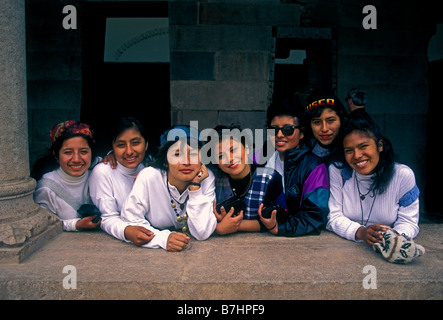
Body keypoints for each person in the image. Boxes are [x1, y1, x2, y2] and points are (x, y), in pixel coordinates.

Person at [327, 112, 420, 245]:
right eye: (349, 150)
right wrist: (361, 232)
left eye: (363, 146)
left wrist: (390, 240)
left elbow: (409, 222)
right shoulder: (338, 172)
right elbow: (334, 217)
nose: (357, 155)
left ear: (379, 145)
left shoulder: (402, 175)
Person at [120, 130, 217, 251]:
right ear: (166, 162)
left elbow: (202, 232)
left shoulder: (206, 178)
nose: (186, 162)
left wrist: (195, 188)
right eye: (177, 154)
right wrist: (162, 239)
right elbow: (130, 220)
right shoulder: (149, 176)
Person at [255, 95, 330, 237]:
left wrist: (279, 227)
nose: (280, 135)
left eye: (288, 129)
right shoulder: (260, 158)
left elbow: (314, 216)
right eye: (274, 130)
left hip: (297, 243)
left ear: (301, 133)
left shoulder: (315, 167)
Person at [89, 117, 155, 245]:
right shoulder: (103, 172)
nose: (129, 151)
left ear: (146, 144)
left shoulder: (152, 168)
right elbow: (107, 217)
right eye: (121, 145)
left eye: (135, 143)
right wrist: (126, 231)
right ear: (112, 147)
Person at [212, 125, 284, 235]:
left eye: (233, 150)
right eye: (221, 156)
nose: (230, 159)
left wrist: (233, 225)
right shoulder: (213, 180)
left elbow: (280, 219)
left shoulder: (270, 178)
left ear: (246, 148)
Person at [33, 120, 101, 231]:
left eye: (83, 151)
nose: (76, 159)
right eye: (68, 152)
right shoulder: (47, 188)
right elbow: (43, 224)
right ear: (56, 155)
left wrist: (110, 155)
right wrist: (75, 225)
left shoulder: (99, 171)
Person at [304, 88, 348, 161]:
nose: (324, 129)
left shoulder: (353, 151)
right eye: (317, 122)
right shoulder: (302, 154)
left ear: (341, 120)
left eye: (330, 120)